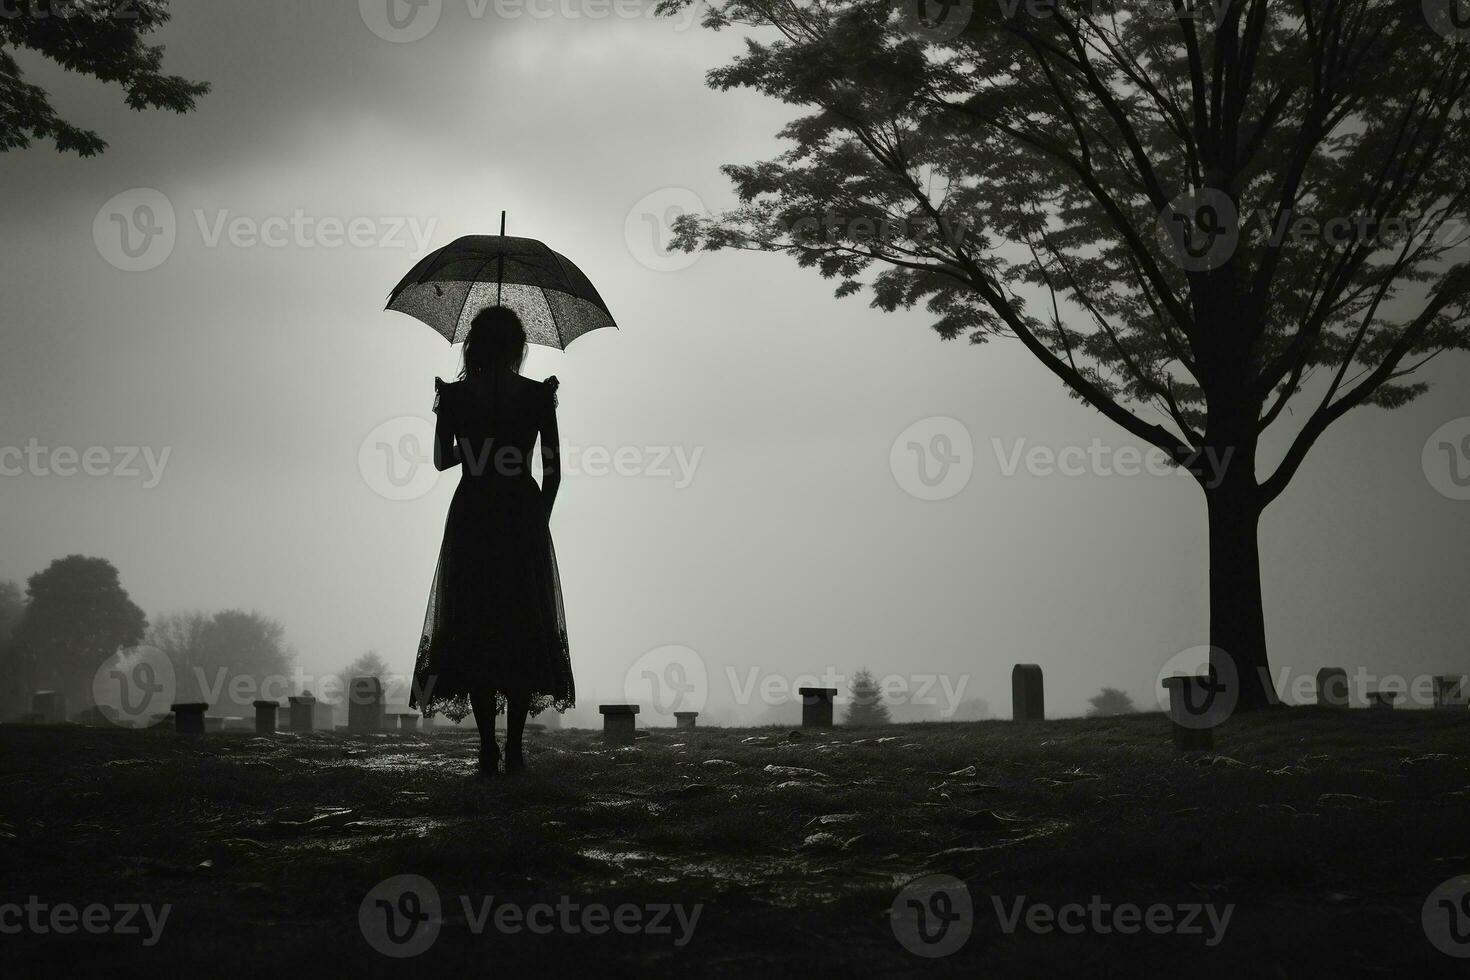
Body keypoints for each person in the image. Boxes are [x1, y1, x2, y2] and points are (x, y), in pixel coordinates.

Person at [410, 305, 574, 775]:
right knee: (521, 621)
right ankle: (516, 748)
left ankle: (486, 747)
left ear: (474, 346)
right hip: (521, 511)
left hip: (473, 514)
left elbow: (443, 460)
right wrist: (537, 518)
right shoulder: (538, 396)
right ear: (518, 347)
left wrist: (472, 442)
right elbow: (554, 470)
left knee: (473, 620)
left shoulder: (457, 396)